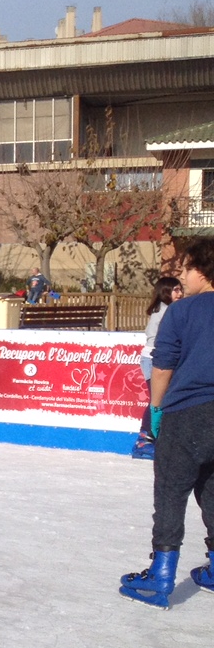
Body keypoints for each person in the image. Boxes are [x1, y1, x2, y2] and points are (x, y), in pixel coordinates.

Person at [121, 239, 214, 607]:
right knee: (212, 490)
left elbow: (162, 367)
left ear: (202, 270)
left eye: (186, 268)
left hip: (186, 413)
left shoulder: (182, 311)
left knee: (171, 492)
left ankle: (160, 577)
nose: (181, 276)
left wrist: (156, 411)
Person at [134, 275, 184, 460]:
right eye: (176, 290)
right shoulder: (164, 312)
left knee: (163, 399)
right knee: (157, 399)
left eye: (180, 289)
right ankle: (143, 440)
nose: (180, 293)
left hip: (160, 359)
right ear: (165, 292)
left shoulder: (169, 310)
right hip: (155, 359)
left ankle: (159, 438)